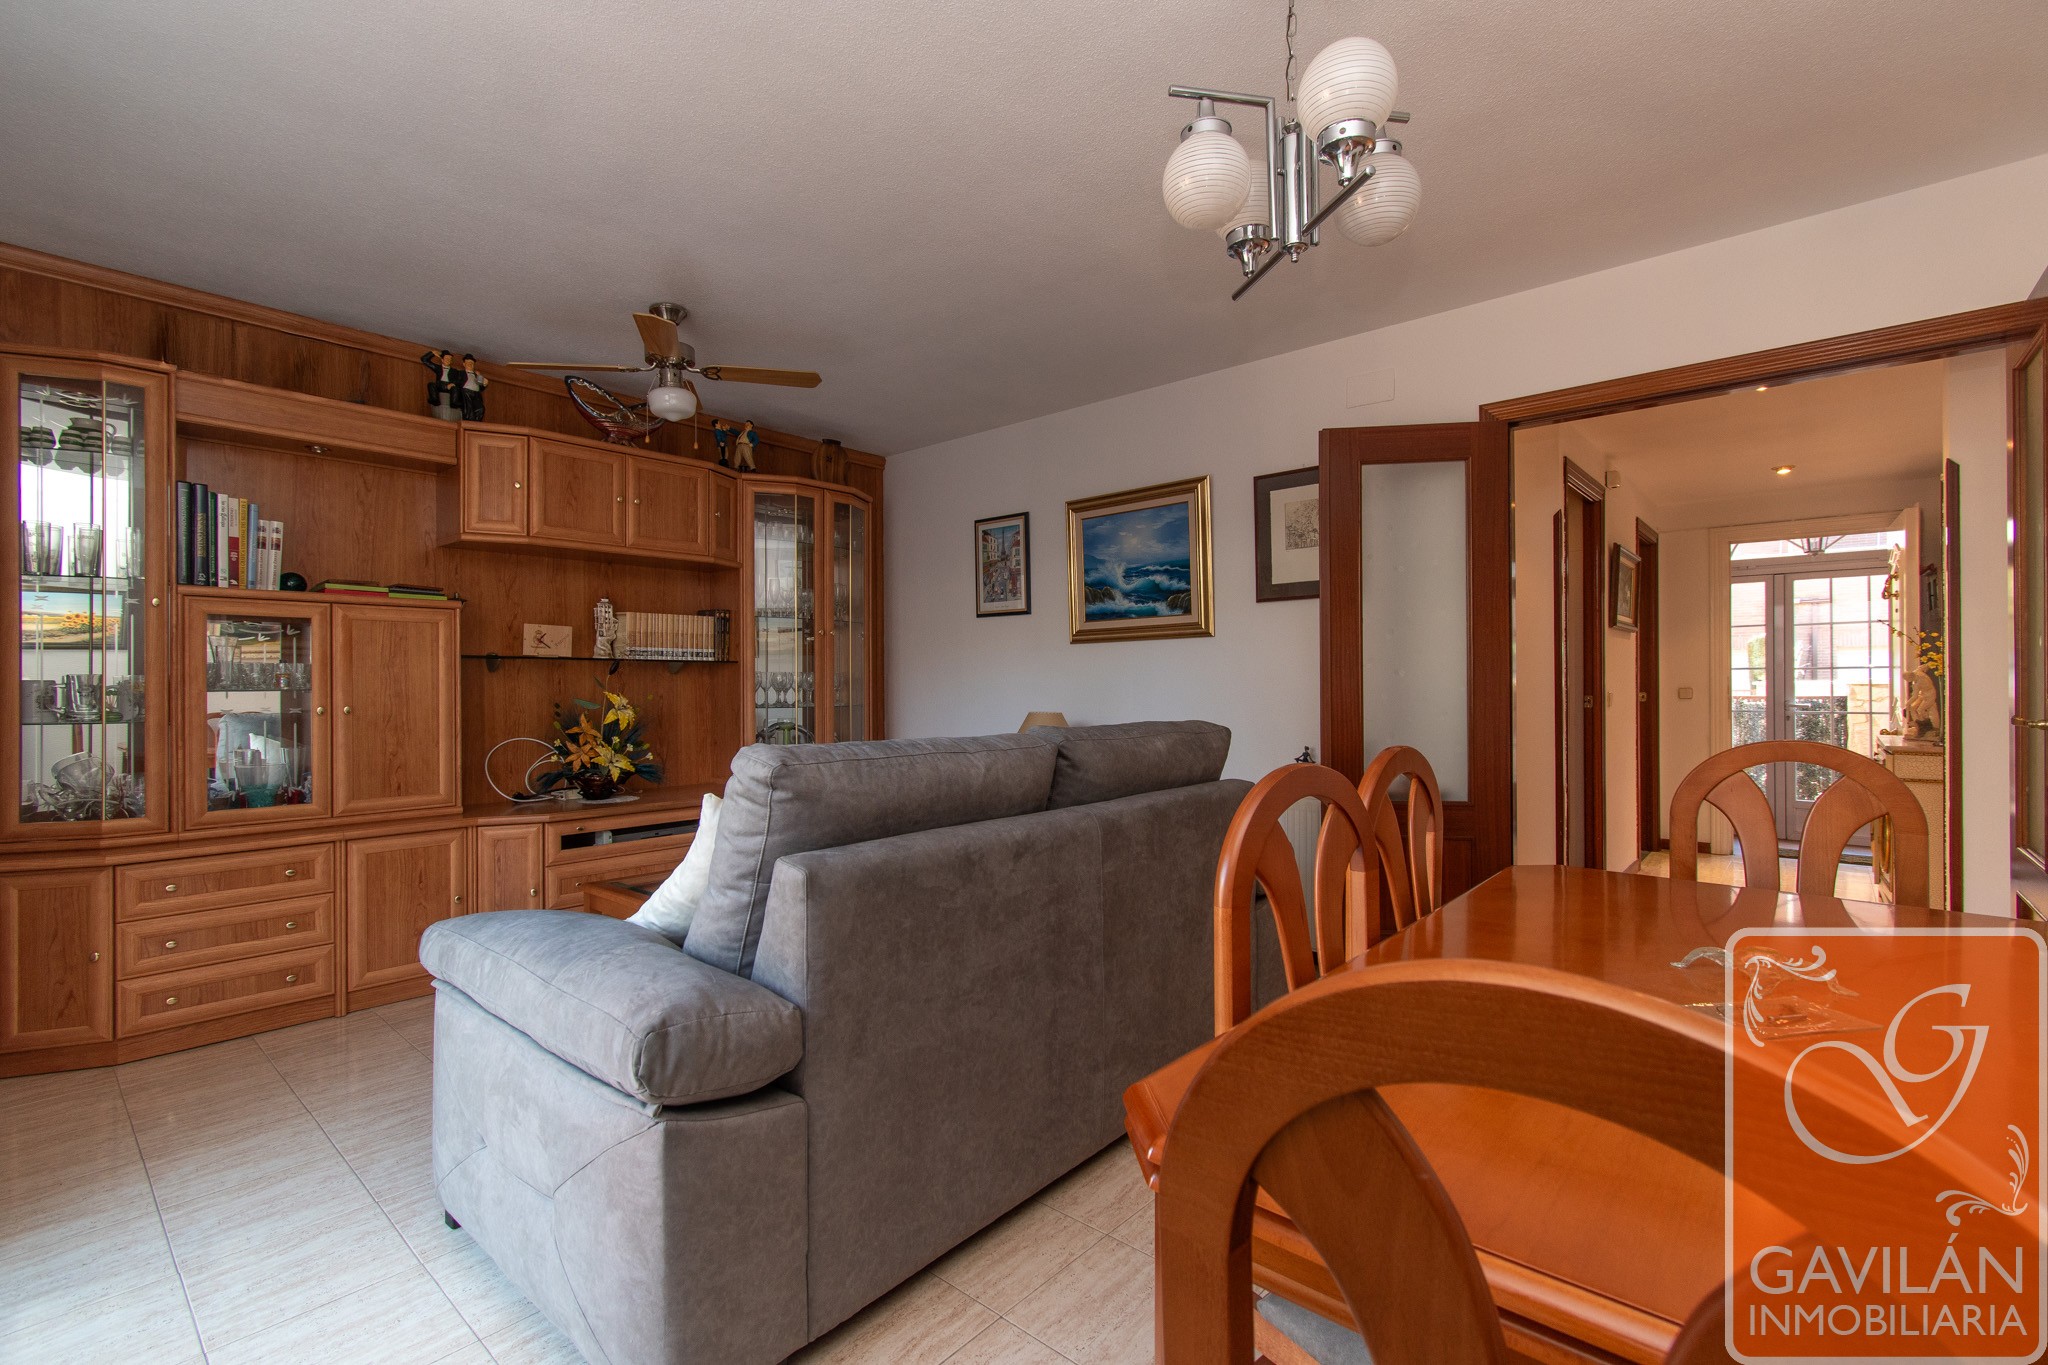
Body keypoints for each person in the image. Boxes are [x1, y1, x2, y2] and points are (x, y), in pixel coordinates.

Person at [457, 354, 489, 420]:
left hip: (476, 393)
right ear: (464, 364)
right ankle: (469, 420)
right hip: (466, 392)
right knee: (469, 407)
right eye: (468, 362)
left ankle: (476, 423)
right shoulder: (460, 373)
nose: (470, 364)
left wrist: (484, 383)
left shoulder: (477, 374)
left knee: (480, 408)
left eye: (472, 363)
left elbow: (481, 387)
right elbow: (457, 382)